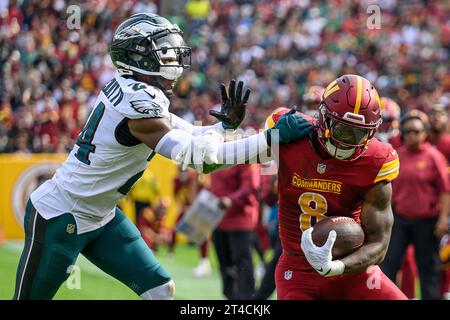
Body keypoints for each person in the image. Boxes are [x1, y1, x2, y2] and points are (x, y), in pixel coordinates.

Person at [12, 13, 313, 300]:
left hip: (101, 215)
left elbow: (189, 133)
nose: (174, 60)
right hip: (62, 214)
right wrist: (269, 139)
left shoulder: (136, 89)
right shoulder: (138, 104)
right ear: (137, 56)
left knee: (160, 289)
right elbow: (202, 159)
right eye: (164, 52)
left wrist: (224, 127)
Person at [265, 74, 408, 299]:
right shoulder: (290, 135)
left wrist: (336, 267)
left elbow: (379, 244)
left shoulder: (376, 159)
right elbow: (229, 157)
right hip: (299, 270)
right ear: (324, 118)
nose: (349, 141)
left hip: (353, 269)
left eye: (359, 132)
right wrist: (232, 129)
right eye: (343, 130)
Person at [380, 110, 450, 300]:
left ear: (424, 133)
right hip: (400, 219)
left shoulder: (434, 156)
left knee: (428, 267)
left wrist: (443, 219)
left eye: (416, 131)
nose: (412, 135)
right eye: (408, 131)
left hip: (427, 221)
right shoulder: (396, 155)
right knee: (389, 263)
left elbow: (445, 191)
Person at [210, 164, 261, 300]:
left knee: (242, 260)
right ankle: (230, 296)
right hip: (218, 217)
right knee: (224, 262)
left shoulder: (246, 156)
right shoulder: (217, 152)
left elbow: (251, 185)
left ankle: (247, 298)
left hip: (240, 218)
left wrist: (231, 199)